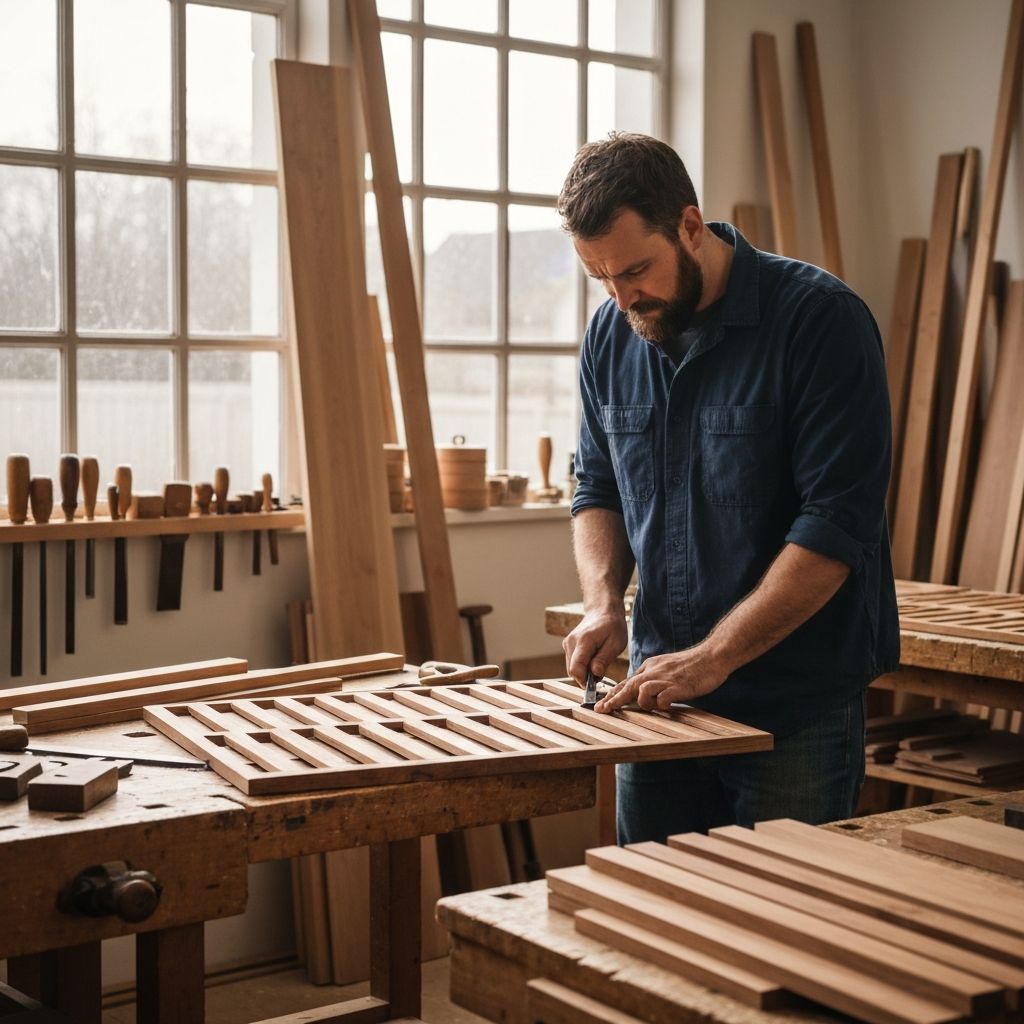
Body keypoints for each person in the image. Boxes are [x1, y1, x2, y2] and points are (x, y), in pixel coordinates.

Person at [558, 133, 899, 843]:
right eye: (602, 280)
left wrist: (713, 659)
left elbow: (837, 527)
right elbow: (597, 486)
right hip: (658, 698)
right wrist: (601, 605)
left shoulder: (819, 322)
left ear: (690, 226)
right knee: (651, 925)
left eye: (637, 271)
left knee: (785, 935)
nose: (624, 298)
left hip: (790, 706)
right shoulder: (611, 334)